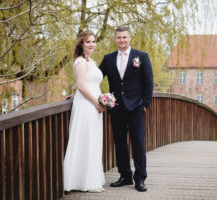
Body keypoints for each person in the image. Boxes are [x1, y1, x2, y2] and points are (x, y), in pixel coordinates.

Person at [99, 26, 153, 192]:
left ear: (130, 38)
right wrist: (79, 91)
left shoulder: (141, 56)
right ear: (115, 39)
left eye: (124, 37)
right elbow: (96, 77)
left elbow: (148, 81)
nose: (121, 40)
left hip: (136, 106)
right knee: (120, 142)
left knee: (138, 142)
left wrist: (145, 104)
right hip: (116, 107)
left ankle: (140, 178)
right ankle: (125, 176)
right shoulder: (108, 58)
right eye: (119, 38)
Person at [63, 31, 106, 193]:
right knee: (86, 139)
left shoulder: (91, 61)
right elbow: (81, 85)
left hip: (93, 104)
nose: (92, 45)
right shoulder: (80, 62)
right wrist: (96, 103)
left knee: (93, 140)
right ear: (81, 44)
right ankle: (83, 182)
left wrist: (102, 100)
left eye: (94, 41)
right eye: (88, 42)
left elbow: (89, 84)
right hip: (87, 105)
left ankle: (91, 179)